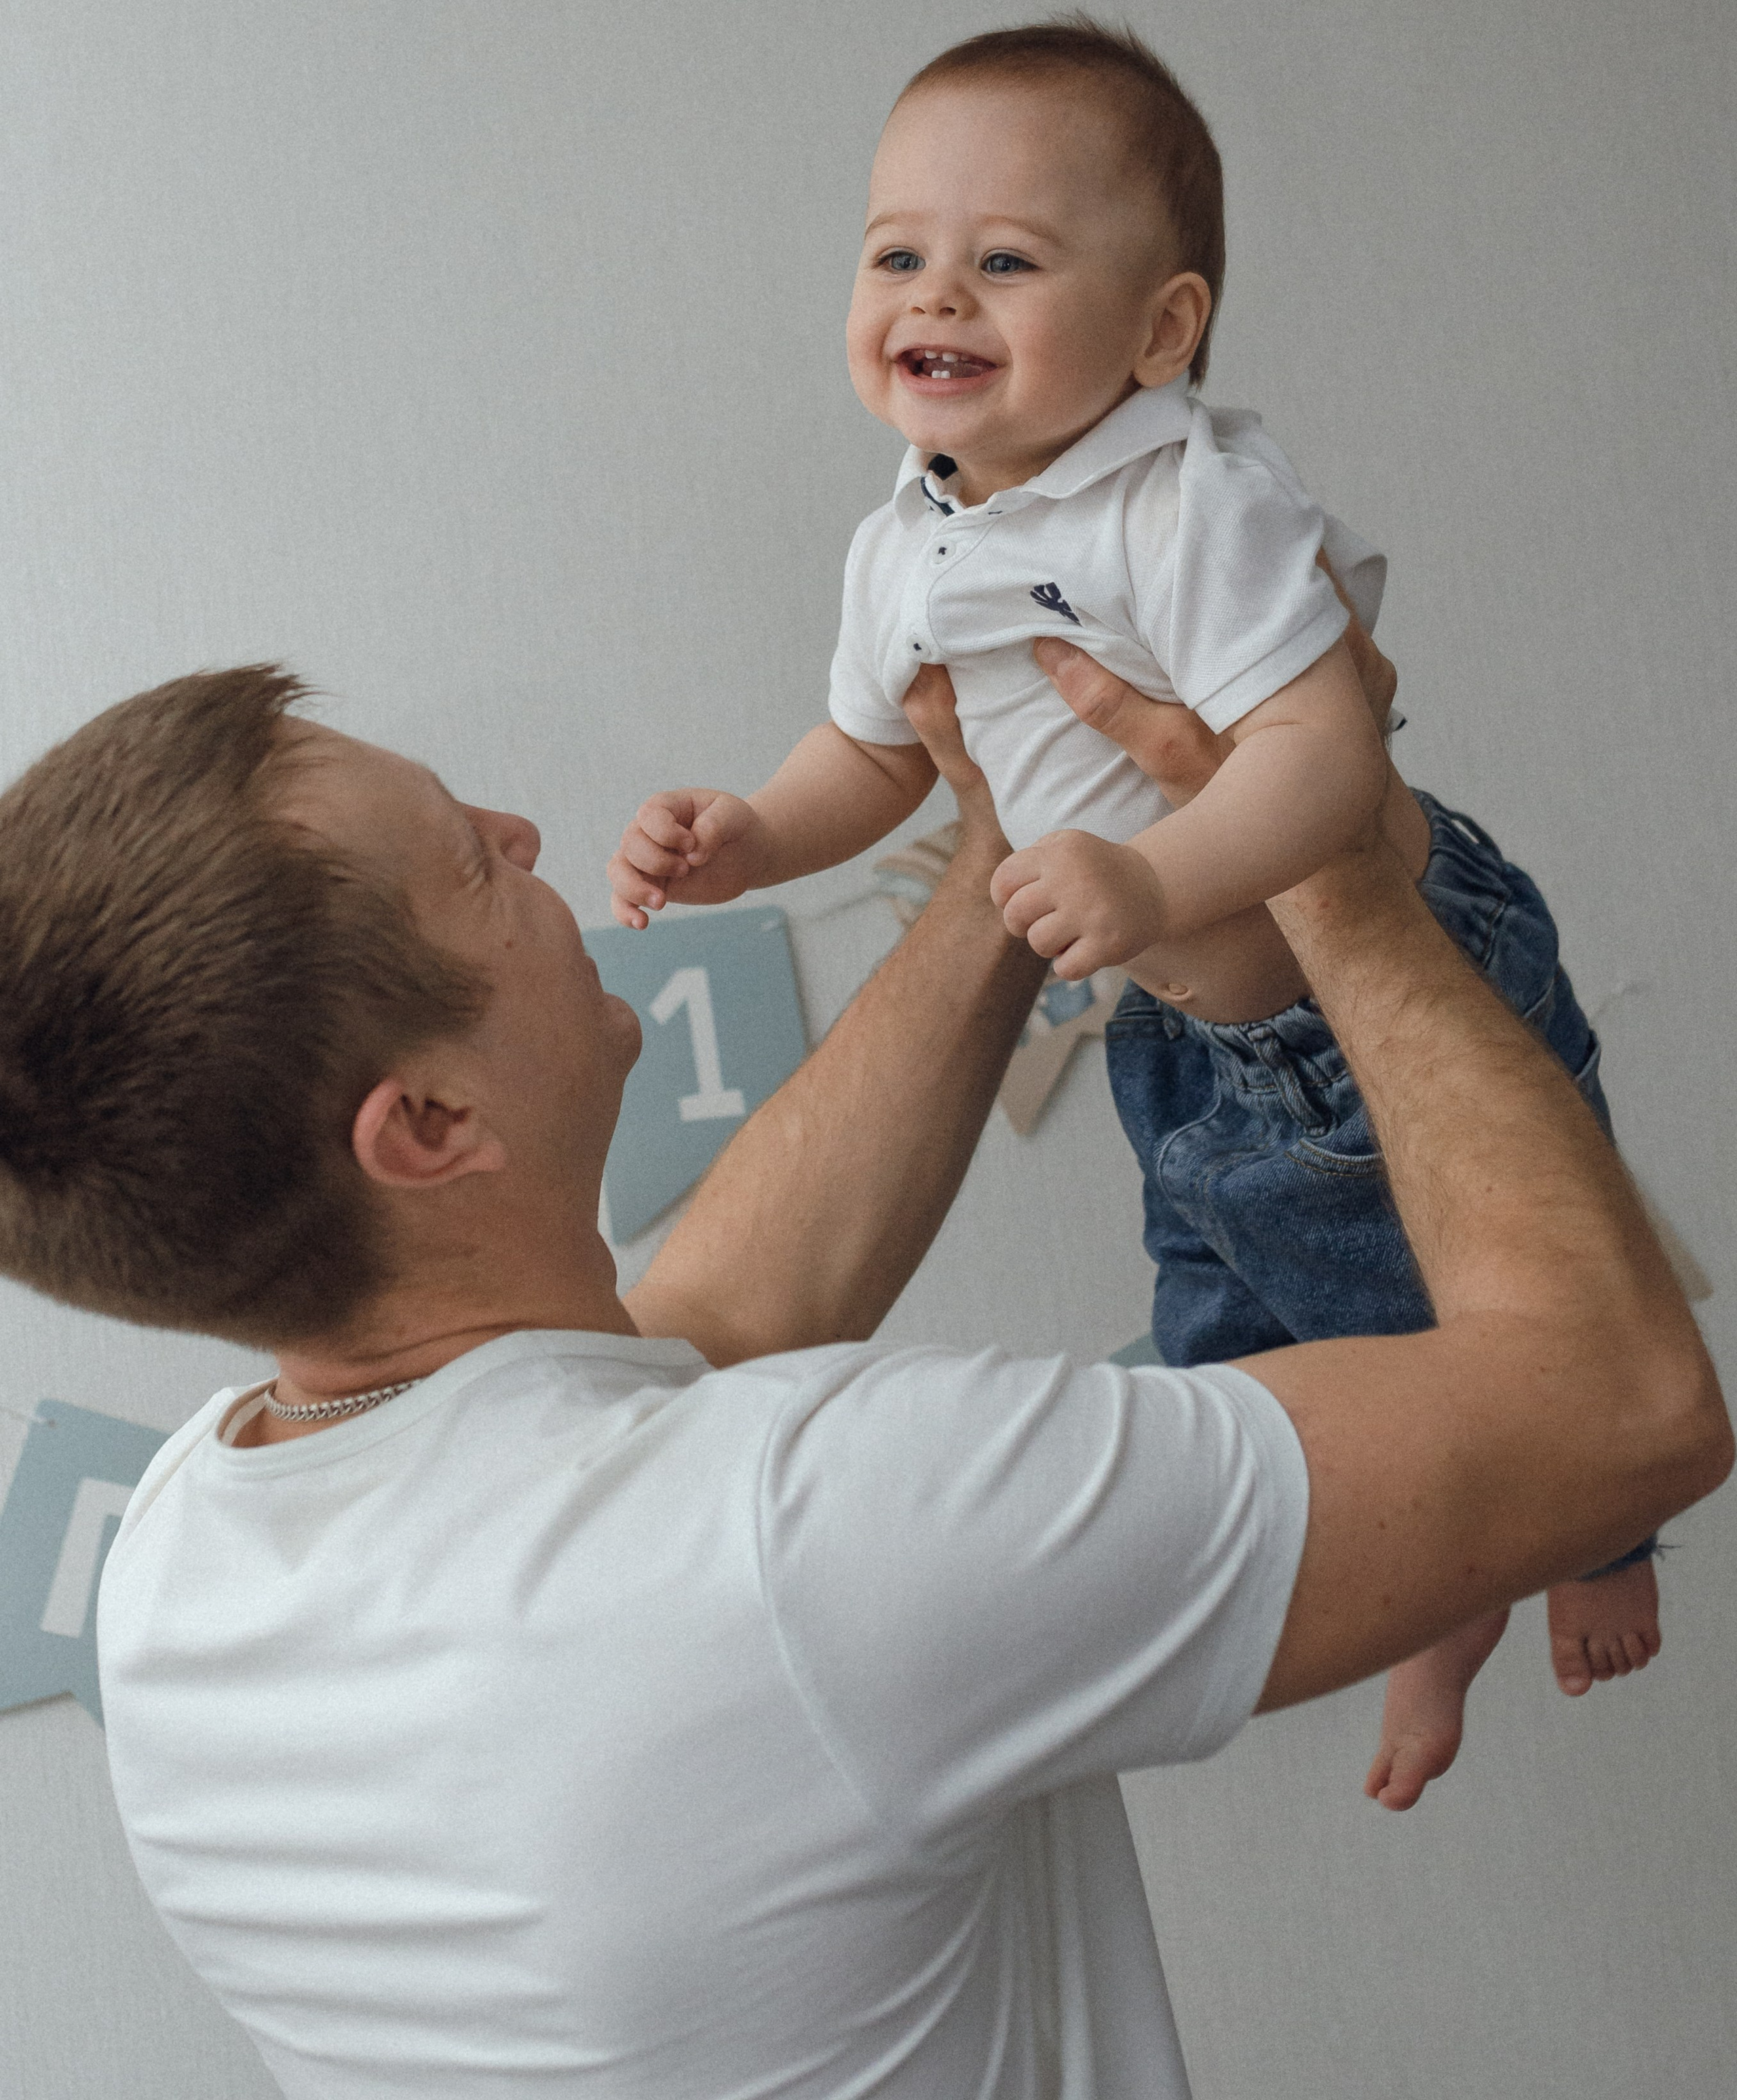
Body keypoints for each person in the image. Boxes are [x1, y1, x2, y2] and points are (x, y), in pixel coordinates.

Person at [0, 649, 1716, 2099]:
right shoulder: (803, 1539)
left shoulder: (178, 1565)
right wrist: (1320, 845)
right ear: (431, 1125)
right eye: (468, 858)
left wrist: (997, 833)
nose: (523, 832)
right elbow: (1617, 1407)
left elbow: (708, 1329)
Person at [608, 17, 1662, 1809]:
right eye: (896, 253)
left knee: (1459, 1322)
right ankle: (1436, 1586)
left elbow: (1327, 755)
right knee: (1227, 1356)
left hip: (1357, 993)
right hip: (1182, 1034)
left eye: (1005, 259)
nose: (935, 289)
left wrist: (1149, 874)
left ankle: (1590, 1536)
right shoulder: (900, 544)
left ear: (1163, 329)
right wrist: (749, 837)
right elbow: (876, 764)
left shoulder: (1188, 497)